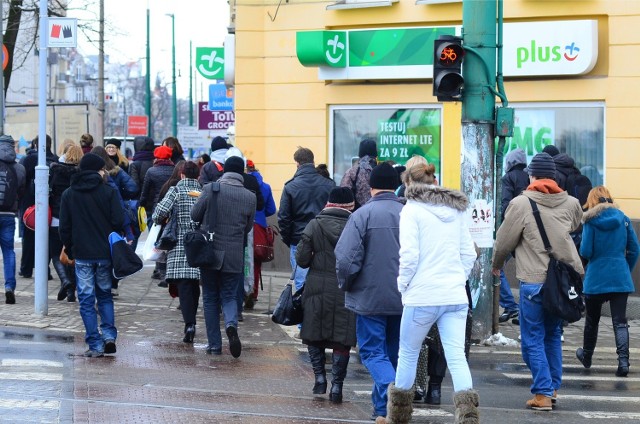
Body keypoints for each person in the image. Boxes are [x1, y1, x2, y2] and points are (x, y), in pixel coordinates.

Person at [377, 163, 478, 424]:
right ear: (434, 182)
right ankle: (468, 417)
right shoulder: (455, 210)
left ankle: (397, 417)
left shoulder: (412, 211)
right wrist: (457, 278)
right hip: (455, 295)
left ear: (409, 184)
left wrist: (403, 286)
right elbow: (469, 254)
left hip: (422, 295)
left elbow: (409, 256)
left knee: (408, 353)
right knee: (456, 356)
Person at [491, 152, 584, 411]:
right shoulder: (571, 203)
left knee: (532, 339)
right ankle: (552, 388)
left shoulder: (521, 204)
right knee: (553, 335)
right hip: (561, 283)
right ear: (554, 177)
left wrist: (497, 265)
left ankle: (542, 393)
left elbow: (503, 242)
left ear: (531, 176)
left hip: (534, 282)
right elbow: (576, 225)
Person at [335, 162, 404, 421]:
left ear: (371, 186)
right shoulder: (408, 213)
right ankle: (381, 411)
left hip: (369, 297)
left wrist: (347, 284)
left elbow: (345, 259)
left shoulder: (362, 215)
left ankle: (394, 391)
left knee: (373, 353)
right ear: (395, 185)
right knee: (393, 353)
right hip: (404, 297)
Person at [59, 153, 124, 357]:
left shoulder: (69, 194)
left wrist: (70, 248)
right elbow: (118, 221)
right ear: (98, 170)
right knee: (104, 295)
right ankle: (109, 336)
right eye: (103, 169)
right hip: (104, 253)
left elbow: (65, 227)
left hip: (82, 254)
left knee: (86, 299)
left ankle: (94, 344)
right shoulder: (108, 192)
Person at [295, 187, 357, 404]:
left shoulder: (315, 224)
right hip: (346, 289)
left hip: (317, 287)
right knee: (342, 339)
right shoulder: (356, 225)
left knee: (315, 333)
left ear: (329, 203)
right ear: (351, 205)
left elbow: (302, 259)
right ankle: (337, 387)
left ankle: (320, 378)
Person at [191, 158, 256, 358]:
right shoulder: (250, 196)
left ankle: (215, 346)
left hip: (210, 253)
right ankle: (230, 324)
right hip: (234, 254)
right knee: (229, 296)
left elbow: (194, 215)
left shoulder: (211, 189)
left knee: (210, 298)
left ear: (225, 171)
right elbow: (248, 227)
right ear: (242, 173)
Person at [575, 186, 640, 377]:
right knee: (620, 322)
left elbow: (586, 251)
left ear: (592, 200)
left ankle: (586, 356)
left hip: (596, 278)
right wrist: (624, 268)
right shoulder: (624, 219)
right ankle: (623, 362)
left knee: (592, 321)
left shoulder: (590, 221)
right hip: (620, 277)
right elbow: (635, 249)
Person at [152, 161, 203, 344]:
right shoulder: (203, 193)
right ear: (198, 176)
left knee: (184, 285)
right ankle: (192, 322)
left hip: (180, 245)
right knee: (194, 284)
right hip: (199, 245)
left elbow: (158, 214)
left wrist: (168, 218)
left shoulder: (176, 191)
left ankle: (189, 324)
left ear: (181, 175)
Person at [278, 147, 334, 299]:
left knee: (301, 283)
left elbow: (283, 218)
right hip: (325, 240)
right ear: (313, 161)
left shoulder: (290, 186)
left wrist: (289, 239)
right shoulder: (329, 184)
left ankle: (304, 321)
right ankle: (318, 319)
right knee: (324, 282)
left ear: (297, 164)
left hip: (299, 240)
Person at [19, 134, 58, 279]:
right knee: (47, 237)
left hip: (30, 204)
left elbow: (22, 179)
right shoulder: (55, 160)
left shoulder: (29, 159)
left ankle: (26, 268)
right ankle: (44, 269)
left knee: (29, 236)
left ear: (35, 144)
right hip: (51, 204)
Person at [497, 148, 529, 324]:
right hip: (530, 230)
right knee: (528, 272)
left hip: (512, 230)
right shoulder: (530, 176)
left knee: (496, 268)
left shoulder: (508, 178)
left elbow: (505, 204)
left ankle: (510, 306)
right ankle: (523, 311)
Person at [49, 145, 83, 302]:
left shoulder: (56, 171)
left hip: (56, 217)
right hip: (76, 219)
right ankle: (71, 291)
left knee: (56, 253)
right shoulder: (81, 174)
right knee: (72, 254)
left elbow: (49, 192)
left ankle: (65, 281)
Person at [140, 146, 175, 283]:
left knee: (157, 238)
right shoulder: (175, 170)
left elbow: (145, 192)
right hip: (172, 207)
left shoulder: (152, 171)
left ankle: (160, 270)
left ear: (156, 157)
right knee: (170, 237)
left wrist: (142, 205)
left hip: (157, 209)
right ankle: (168, 270)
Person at [245, 159, 276, 307]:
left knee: (242, 260)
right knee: (256, 261)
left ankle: (242, 291)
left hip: (244, 224)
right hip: (259, 226)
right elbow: (271, 209)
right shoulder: (266, 186)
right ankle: (253, 293)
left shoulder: (242, 183)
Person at [0, 135, 26, 304]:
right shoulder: (19, 167)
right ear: (12, 147)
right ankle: (9, 287)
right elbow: (21, 191)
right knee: (9, 252)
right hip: (9, 215)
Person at [340, 138, 377, 209]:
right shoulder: (382, 170)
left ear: (360, 154)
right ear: (375, 154)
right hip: (378, 212)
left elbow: (343, 193)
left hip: (357, 213)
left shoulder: (352, 171)